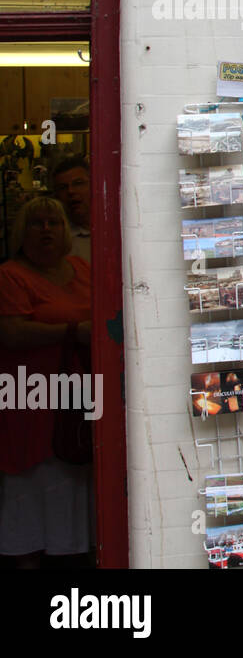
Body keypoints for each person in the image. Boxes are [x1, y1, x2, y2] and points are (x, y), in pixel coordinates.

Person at [0, 197, 94, 568]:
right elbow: (10, 334)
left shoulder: (82, 268)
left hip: (80, 385)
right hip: (28, 392)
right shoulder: (9, 274)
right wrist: (72, 331)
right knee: (31, 473)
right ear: (21, 233)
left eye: (52, 223)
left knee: (75, 466)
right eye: (36, 224)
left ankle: (73, 555)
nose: (45, 231)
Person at [50, 154, 91, 265]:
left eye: (78, 183)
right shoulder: (53, 239)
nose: (71, 191)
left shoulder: (116, 229)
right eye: (62, 187)